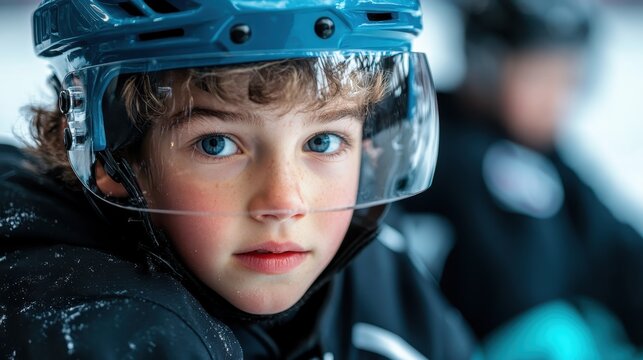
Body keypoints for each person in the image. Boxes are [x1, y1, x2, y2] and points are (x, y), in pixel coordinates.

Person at [0, 0, 476, 358]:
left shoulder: (373, 270)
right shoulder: (105, 329)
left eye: (324, 142)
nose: (285, 203)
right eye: (217, 144)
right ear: (111, 156)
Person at [395, 0, 643, 358]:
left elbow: (613, 245)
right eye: (538, 78)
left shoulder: (544, 152)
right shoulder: (431, 138)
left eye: (568, 81)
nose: (555, 100)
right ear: (486, 65)